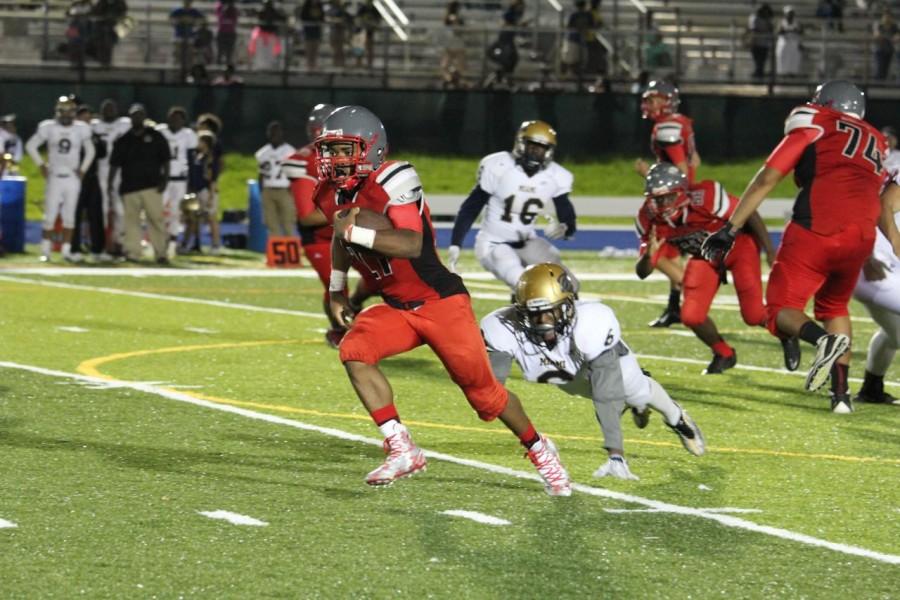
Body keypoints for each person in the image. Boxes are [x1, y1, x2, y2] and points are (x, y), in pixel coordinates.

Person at [321, 105, 571, 495]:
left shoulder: (395, 177)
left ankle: (540, 450)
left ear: (370, 148)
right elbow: (340, 234)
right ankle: (402, 448)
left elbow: (409, 242)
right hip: (397, 307)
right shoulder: (330, 193)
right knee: (354, 350)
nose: (333, 160)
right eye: (330, 150)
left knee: (485, 396)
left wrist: (357, 233)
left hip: (440, 302)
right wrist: (337, 288)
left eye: (342, 150)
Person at [702, 80, 900, 414]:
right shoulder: (876, 140)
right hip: (861, 237)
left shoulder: (815, 122)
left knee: (780, 309)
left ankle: (820, 341)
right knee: (834, 308)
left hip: (818, 226)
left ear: (826, 102)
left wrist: (730, 226)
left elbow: (768, 177)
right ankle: (840, 397)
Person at [481, 263, 705, 480]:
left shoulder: (591, 324)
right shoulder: (503, 327)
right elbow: (492, 387)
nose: (542, 323)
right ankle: (635, 405)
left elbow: (605, 394)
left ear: (568, 305)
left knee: (635, 390)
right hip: (567, 375)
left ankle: (676, 418)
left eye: (550, 312)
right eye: (534, 314)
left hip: (603, 364)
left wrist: (615, 455)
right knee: (593, 391)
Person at [635, 163, 798, 374]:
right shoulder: (649, 217)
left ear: (682, 192)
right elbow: (642, 273)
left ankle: (786, 334)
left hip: (739, 247)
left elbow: (749, 212)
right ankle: (724, 353)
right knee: (691, 315)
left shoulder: (706, 195)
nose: (662, 204)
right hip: (705, 257)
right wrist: (649, 255)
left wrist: (769, 249)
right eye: (657, 199)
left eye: (668, 197)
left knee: (754, 314)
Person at [283, 103, 371, 348]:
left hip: (351, 232)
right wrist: (350, 209)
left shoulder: (356, 155)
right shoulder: (306, 162)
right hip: (321, 237)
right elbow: (307, 217)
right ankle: (338, 330)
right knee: (336, 283)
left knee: (381, 276)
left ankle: (355, 305)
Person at [448, 120, 577, 289]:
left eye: (541, 147)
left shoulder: (556, 175)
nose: (535, 151)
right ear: (520, 144)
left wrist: (566, 228)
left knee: (568, 285)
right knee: (527, 284)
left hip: (528, 242)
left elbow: (565, 209)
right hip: (494, 244)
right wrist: (456, 243)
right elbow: (471, 207)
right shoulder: (499, 166)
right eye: (531, 145)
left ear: (548, 151)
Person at [634, 80, 701, 328]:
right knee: (671, 255)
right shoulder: (682, 122)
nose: (649, 105)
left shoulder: (667, 128)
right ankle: (675, 308)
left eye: (654, 99)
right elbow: (696, 160)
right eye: (648, 100)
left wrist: (648, 172)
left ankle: (696, 299)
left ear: (667, 101)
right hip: (684, 197)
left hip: (673, 200)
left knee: (656, 253)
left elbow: (682, 169)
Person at [25, 95, 95, 263]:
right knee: (50, 215)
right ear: (57, 112)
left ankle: (66, 251)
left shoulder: (81, 128)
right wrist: (41, 165)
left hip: (72, 176)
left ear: (73, 113)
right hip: (55, 176)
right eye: (62, 112)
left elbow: (91, 151)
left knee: (70, 216)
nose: (65, 115)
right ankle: (45, 251)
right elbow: (31, 145)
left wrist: (83, 170)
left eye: (68, 112)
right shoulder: (49, 127)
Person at [852, 175, 900, 405]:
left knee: (896, 335)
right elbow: (884, 204)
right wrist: (896, 242)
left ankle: (871, 388)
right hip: (878, 264)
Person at [108, 103, 171, 264]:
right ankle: (133, 252)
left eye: (140, 115)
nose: (137, 118)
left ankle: (161, 253)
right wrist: (110, 183)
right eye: (134, 115)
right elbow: (115, 164)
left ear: (145, 117)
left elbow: (166, 160)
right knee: (131, 222)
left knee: (156, 219)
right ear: (130, 118)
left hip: (152, 185)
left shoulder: (156, 136)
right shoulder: (124, 139)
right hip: (129, 186)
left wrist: (165, 179)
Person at [156, 107, 198, 257]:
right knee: (158, 211)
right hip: (162, 178)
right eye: (173, 117)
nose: (175, 121)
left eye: (179, 118)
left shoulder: (188, 135)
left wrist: (192, 183)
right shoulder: (160, 131)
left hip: (180, 179)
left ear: (183, 121)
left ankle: (172, 242)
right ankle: (158, 241)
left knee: (175, 212)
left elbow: (192, 160)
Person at [91, 99, 131, 256]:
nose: (108, 111)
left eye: (111, 108)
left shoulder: (125, 124)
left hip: (121, 169)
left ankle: (119, 242)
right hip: (101, 169)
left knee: (121, 209)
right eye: (105, 108)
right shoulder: (94, 125)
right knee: (103, 208)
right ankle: (104, 243)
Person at [70, 105, 107, 262]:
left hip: (92, 178)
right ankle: (74, 249)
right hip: (75, 179)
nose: (87, 121)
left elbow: (102, 153)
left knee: (96, 215)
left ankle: (97, 249)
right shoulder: (72, 134)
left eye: (88, 118)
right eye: (83, 118)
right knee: (74, 215)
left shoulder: (93, 135)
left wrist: (95, 137)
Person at [255, 121, 297, 238]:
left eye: (276, 132)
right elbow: (261, 174)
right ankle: (278, 254)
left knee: (288, 223)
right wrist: (262, 192)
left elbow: (295, 174)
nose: (274, 135)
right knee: (271, 225)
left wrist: (293, 192)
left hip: (285, 190)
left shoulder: (290, 151)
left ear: (281, 133)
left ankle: (290, 254)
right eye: (271, 132)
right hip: (268, 189)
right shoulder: (263, 153)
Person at [182, 130, 221, 254]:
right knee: (193, 219)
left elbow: (212, 178)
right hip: (196, 190)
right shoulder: (196, 156)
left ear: (206, 143)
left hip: (207, 190)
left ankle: (216, 245)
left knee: (210, 218)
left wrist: (210, 196)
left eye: (200, 140)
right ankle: (189, 244)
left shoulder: (211, 158)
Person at [170, 0, 203, 77]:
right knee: (178, 53)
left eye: (189, 2)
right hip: (179, 35)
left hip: (190, 36)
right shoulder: (178, 10)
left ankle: (189, 72)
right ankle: (176, 71)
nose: (187, 3)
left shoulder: (194, 11)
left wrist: (193, 21)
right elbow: (171, 19)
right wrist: (180, 21)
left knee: (189, 55)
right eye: (186, 1)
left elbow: (202, 19)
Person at [748, 4, 774, 79]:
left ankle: (759, 73)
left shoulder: (768, 19)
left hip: (764, 43)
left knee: (762, 60)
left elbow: (770, 29)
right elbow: (753, 30)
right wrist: (752, 41)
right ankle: (758, 73)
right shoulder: (754, 18)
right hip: (756, 42)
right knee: (757, 60)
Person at [298, 0, 325, 71]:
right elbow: (302, 17)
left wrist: (319, 22)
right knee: (309, 47)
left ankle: (314, 63)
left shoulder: (320, 6)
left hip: (317, 30)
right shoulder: (306, 7)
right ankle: (309, 63)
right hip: (308, 30)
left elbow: (322, 17)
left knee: (315, 47)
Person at [776, 6, 803, 77]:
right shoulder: (781, 22)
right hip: (784, 43)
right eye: (789, 13)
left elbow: (801, 31)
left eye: (792, 13)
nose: (790, 15)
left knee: (794, 59)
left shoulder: (797, 22)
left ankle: (792, 74)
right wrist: (790, 30)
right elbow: (779, 31)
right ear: (785, 14)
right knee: (782, 59)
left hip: (794, 43)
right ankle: (782, 74)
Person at [873, 10, 898, 80]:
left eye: (889, 16)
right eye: (885, 16)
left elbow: (897, 36)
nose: (887, 18)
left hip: (889, 49)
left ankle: (882, 82)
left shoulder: (894, 26)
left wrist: (893, 37)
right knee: (879, 66)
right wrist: (888, 37)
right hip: (879, 49)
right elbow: (877, 35)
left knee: (886, 67)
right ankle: (877, 82)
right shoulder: (879, 25)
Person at [354, 0, 380, 69]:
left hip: (370, 32)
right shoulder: (362, 8)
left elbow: (378, 20)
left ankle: (370, 64)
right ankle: (359, 63)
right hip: (361, 31)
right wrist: (363, 22)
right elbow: (357, 18)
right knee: (359, 48)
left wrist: (372, 24)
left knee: (370, 48)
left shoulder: (374, 9)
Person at [216, 0, 239, 65]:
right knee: (220, 51)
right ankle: (219, 66)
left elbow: (235, 20)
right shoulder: (220, 8)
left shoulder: (233, 10)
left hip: (231, 33)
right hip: (222, 33)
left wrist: (229, 6)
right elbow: (218, 8)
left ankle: (228, 67)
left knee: (229, 52)